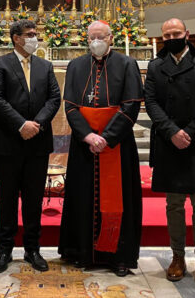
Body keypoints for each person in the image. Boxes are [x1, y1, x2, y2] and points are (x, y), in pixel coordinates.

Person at [59, 20, 144, 277]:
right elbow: (71, 107)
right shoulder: (75, 66)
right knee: (82, 197)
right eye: (91, 37)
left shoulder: (127, 64)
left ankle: (118, 256)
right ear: (87, 40)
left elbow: (131, 105)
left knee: (120, 200)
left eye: (101, 37)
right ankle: (82, 253)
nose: (96, 41)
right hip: (85, 146)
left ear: (111, 39)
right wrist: (87, 136)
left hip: (116, 146)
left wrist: (106, 137)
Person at [144, 18, 195, 285]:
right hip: (170, 143)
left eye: (176, 33)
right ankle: (177, 257)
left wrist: (190, 132)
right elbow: (152, 103)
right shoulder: (156, 67)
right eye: (166, 35)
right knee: (174, 204)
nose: (171, 38)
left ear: (187, 34)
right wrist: (171, 131)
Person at [0, 19, 61, 273]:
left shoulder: (45, 65)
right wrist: (21, 125)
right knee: (6, 198)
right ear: (16, 38)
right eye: (29, 34)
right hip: (7, 142)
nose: (34, 37)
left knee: (33, 198)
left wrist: (37, 124)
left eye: (35, 33)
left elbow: (54, 98)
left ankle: (33, 249)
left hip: (37, 143)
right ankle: (5, 250)